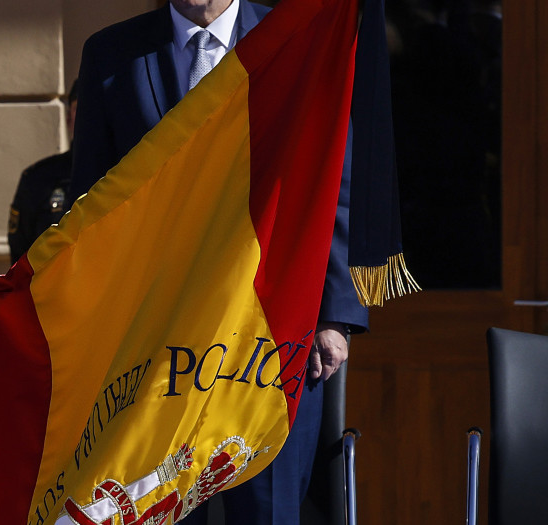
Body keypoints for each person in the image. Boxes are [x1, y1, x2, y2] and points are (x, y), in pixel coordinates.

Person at [68, 1, 369, 523]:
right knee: (156, 509)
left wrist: (333, 314)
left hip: (273, 334)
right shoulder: (112, 53)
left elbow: (334, 181)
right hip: (155, 343)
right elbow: (92, 202)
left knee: (269, 512)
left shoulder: (297, 35)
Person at [7, 81, 78, 264]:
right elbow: (20, 252)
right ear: (69, 119)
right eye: (80, 111)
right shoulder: (39, 178)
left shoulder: (123, 173)